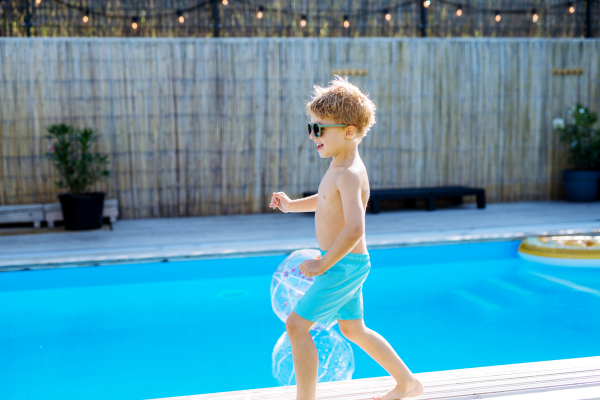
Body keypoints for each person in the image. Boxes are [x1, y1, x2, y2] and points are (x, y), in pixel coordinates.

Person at [269, 76, 424, 400]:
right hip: (348, 264)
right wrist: (292, 205)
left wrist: (324, 263)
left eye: (319, 129)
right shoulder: (339, 168)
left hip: (343, 265)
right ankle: (408, 383)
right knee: (353, 329)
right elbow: (325, 200)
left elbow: (355, 228)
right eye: (311, 128)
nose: (313, 136)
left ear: (349, 131)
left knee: (296, 326)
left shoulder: (350, 173)